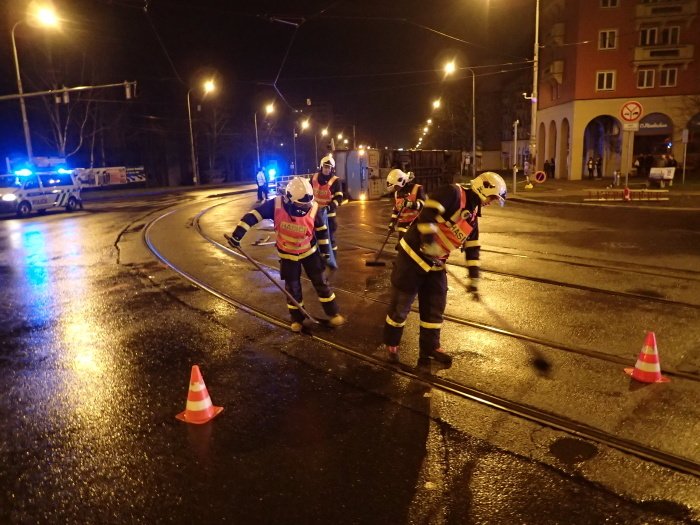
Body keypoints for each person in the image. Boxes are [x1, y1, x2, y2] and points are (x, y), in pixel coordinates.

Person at [382, 172, 507, 366]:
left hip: (436, 263)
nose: (490, 202)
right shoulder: (453, 193)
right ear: (484, 189)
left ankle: (430, 347)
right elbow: (427, 214)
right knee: (401, 305)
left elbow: (472, 249)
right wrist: (429, 242)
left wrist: (474, 279)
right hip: (412, 257)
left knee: (435, 306)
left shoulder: (472, 218)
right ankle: (391, 344)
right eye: (491, 197)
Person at [226, 177, 346, 332]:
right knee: (292, 288)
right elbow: (252, 216)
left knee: (321, 283)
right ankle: (297, 319)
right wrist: (237, 235)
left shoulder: (313, 207)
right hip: (288, 255)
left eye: (307, 204)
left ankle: (333, 313)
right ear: (289, 199)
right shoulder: (275, 205)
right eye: (301, 204)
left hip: (310, 252)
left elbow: (322, 231)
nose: (305, 207)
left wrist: (325, 253)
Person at [311, 155, 344, 255]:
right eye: (325, 167)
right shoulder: (314, 178)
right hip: (314, 214)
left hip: (328, 214)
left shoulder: (335, 181)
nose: (327, 169)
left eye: (329, 167)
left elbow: (339, 197)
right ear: (321, 167)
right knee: (314, 236)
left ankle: (332, 257)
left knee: (329, 237)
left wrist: (331, 206)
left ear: (331, 168)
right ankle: (318, 256)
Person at [386, 168, 426, 244]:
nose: (395, 189)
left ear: (402, 182)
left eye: (396, 187)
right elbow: (396, 210)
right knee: (401, 247)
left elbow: (423, 205)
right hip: (402, 227)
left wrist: (410, 204)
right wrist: (392, 224)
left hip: (415, 225)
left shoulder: (417, 188)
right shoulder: (397, 193)